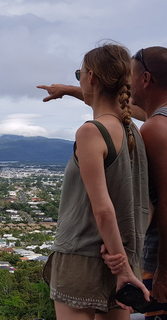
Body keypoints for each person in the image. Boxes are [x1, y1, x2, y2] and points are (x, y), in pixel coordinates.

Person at [39, 46, 167, 319]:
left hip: (82, 257)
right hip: (125, 259)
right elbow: (148, 207)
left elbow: (103, 209)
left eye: (79, 74)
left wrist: (119, 264)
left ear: (92, 78)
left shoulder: (91, 132)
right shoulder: (134, 130)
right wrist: (122, 258)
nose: (80, 80)